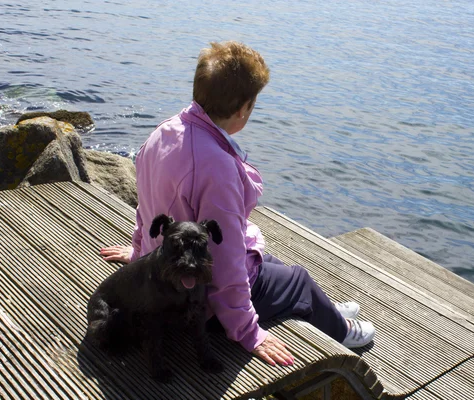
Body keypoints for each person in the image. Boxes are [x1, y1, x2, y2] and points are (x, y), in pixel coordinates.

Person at [100, 41, 375, 367]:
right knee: (298, 279)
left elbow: (147, 209)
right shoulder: (217, 167)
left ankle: (319, 305)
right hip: (192, 298)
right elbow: (226, 260)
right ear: (244, 107)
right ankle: (340, 329)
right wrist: (247, 332)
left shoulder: (163, 133)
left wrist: (139, 252)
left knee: (266, 260)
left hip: (163, 271)